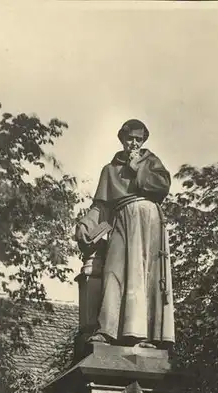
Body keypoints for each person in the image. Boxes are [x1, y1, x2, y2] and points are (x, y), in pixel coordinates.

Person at [75, 119, 175, 348]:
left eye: (139, 139)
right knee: (114, 270)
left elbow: (162, 188)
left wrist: (137, 166)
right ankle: (108, 330)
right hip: (121, 218)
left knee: (147, 274)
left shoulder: (151, 162)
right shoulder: (110, 170)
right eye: (130, 138)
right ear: (122, 139)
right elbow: (100, 207)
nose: (134, 143)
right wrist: (85, 223)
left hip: (149, 219)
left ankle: (148, 336)